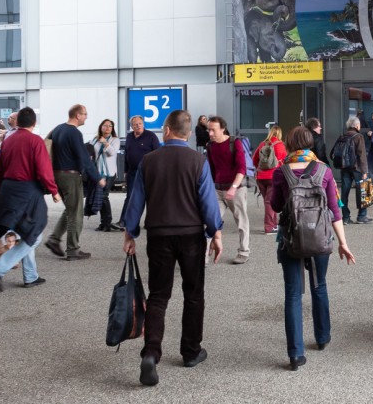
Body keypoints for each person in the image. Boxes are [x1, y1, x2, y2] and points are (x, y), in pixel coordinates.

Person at [122, 109, 223, 387]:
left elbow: (136, 199)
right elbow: (208, 202)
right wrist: (215, 232)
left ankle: (151, 353)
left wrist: (130, 232)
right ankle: (191, 351)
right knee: (193, 294)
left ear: (166, 131)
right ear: (189, 133)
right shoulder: (198, 160)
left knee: (158, 296)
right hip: (191, 236)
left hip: (159, 235)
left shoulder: (148, 161)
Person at [268, 125, 355, 370]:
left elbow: (275, 206)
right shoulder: (324, 171)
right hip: (320, 238)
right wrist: (343, 244)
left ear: (289, 144)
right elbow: (335, 210)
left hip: (290, 239)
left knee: (293, 294)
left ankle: (295, 355)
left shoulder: (281, 172)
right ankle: (322, 337)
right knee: (320, 286)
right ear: (311, 143)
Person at [0, 107, 61, 290]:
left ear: (17, 122)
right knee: (34, 233)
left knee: (25, 232)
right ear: (34, 123)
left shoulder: (8, 140)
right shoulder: (35, 140)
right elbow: (43, 169)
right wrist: (54, 190)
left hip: (7, 188)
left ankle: (30, 276)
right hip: (28, 191)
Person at [45, 104, 101, 261]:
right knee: (76, 213)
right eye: (85, 114)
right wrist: (97, 177)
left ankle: (54, 239)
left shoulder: (58, 129)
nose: (86, 117)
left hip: (57, 174)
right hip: (70, 176)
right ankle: (73, 250)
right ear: (77, 115)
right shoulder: (74, 132)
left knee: (70, 209)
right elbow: (83, 156)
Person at [204, 115, 251, 264]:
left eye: (213, 130)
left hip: (236, 188)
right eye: (208, 130)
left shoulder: (235, 142)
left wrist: (233, 187)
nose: (210, 133)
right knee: (210, 221)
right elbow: (211, 170)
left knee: (241, 221)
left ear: (222, 129)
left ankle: (244, 251)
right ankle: (203, 255)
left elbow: (241, 168)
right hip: (217, 190)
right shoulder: (210, 146)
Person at [332, 117, 370, 224]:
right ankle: (362, 216)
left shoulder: (342, 136)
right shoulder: (359, 137)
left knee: (344, 192)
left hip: (345, 167)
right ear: (356, 125)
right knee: (363, 191)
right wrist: (364, 171)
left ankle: (345, 217)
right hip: (357, 168)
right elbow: (362, 155)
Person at [122, 115, 161, 217]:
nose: (138, 126)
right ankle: (124, 221)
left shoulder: (151, 136)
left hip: (147, 171)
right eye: (135, 124)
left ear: (143, 124)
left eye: (140, 123)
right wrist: (125, 171)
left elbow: (158, 154)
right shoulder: (129, 137)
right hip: (132, 172)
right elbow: (127, 154)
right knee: (130, 196)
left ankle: (151, 220)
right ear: (132, 126)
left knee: (150, 196)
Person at [254, 124, 287, 235]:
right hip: (273, 177)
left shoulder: (262, 144)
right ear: (279, 134)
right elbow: (285, 161)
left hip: (260, 177)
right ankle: (269, 227)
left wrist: (260, 169)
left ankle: (274, 224)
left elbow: (254, 159)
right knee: (270, 202)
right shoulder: (280, 145)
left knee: (268, 202)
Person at [90, 119, 121, 232]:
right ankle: (103, 223)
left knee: (104, 196)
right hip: (98, 173)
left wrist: (104, 142)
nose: (107, 128)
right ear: (101, 127)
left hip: (109, 173)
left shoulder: (115, 140)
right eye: (105, 125)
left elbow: (111, 152)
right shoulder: (94, 139)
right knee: (100, 197)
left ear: (112, 129)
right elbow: (90, 152)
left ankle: (107, 222)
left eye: (110, 126)